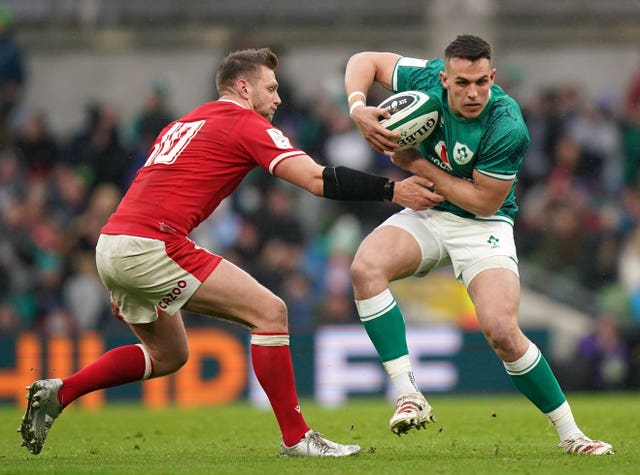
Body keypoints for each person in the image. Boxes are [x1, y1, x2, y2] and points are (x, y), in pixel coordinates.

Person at [18, 47, 439, 458]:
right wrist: (392, 190)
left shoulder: (183, 123)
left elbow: (149, 188)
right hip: (151, 244)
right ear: (243, 87)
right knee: (270, 312)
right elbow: (314, 178)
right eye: (271, 88)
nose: (278, 97)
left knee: (169, 355)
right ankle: (296, 438)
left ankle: (60, 392)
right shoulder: (243, 122)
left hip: (115, 242)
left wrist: (119, 269)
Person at [344, 34, 614, 455]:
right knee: (365, 268)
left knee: (502, 331)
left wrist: (415, 164)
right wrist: (358, 107)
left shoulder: (508, 124)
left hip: (482, 224)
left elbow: (484, 201)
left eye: (481, 83)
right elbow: (365, 59)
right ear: (443, 78)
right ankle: (408, 394)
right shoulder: (425, 76)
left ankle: (572, 435)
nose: (473, 93)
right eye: (462, 82)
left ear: (492, 77)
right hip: (430, 212)